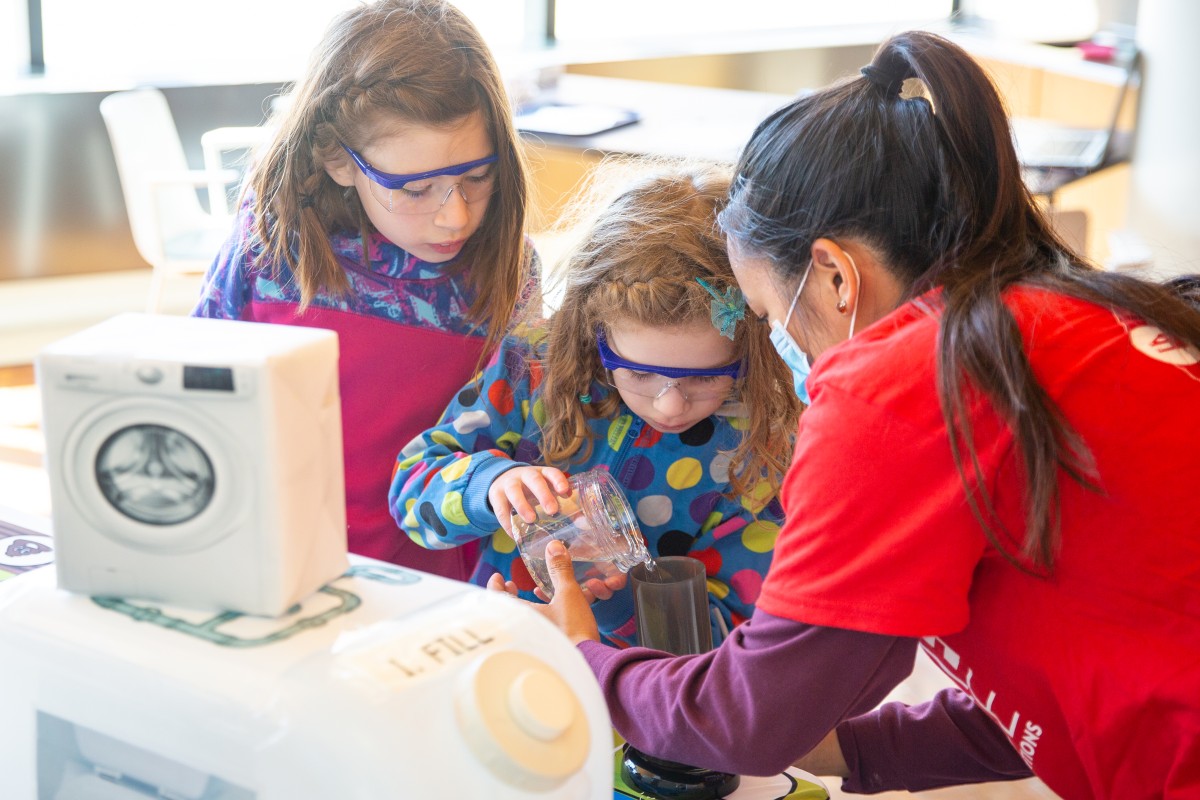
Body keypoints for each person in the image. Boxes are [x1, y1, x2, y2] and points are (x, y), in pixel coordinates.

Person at [501, 32, 1200, 799]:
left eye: (771, 315)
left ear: (834, 275)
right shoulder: (1071, 319)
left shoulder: (900, 383)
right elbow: (1047, 703)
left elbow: (745, 721)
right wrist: (835, 746)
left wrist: (579, 656)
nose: (781, 345)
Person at [193, 0, 538, 580]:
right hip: (274, 561)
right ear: (338, 159)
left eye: (476, 177)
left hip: (438, 578)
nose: (454, 217)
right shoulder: (271, 248)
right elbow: (197, 387)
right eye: (415, 188)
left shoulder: (507, 268)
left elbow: (516, 437)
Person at [389, 162, 801, 647]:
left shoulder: (757, 450)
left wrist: (623, 604)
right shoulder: (534, 370)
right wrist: (489, 485)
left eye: (708, 376)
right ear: (594, 333)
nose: (670, 407)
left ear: (752, 348)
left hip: (626, 703)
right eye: (640, 372)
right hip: (493, 651)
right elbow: (413, 494)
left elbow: (727, 644)